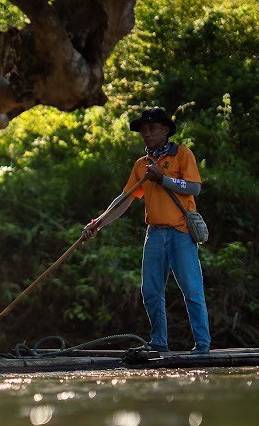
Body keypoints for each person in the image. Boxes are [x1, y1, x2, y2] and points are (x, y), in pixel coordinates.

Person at [81, 108, 210, 354]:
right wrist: (98, 223)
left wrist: (163, 179)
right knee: (150, 291)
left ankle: (202, 345)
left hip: (181, 232)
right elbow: (125, 199)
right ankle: (159, 342)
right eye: (143, 130)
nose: (146, 133)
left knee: (192, 290)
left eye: (151, 128)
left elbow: (194, 188)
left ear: (165, 130)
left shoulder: (182, 154)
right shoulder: (142, 165)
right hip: (155, 234)